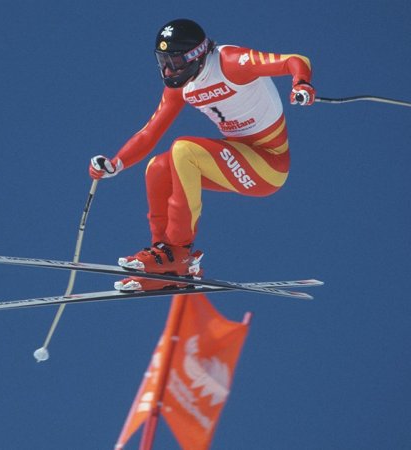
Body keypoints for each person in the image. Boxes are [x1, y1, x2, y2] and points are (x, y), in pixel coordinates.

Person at [88, 18, 315, 291]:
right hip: (238, 156)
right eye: (163, 61)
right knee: (159, 167)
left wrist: (301, 83)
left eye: (176, 62)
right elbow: (150, 132)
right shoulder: (180, 86)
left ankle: (179, 253)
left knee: (185, 150)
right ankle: (163, 258)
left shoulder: (229, 61)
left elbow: (294, 59)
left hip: (268, 165)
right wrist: (116, 163)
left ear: (196, 56)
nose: (169, 70)